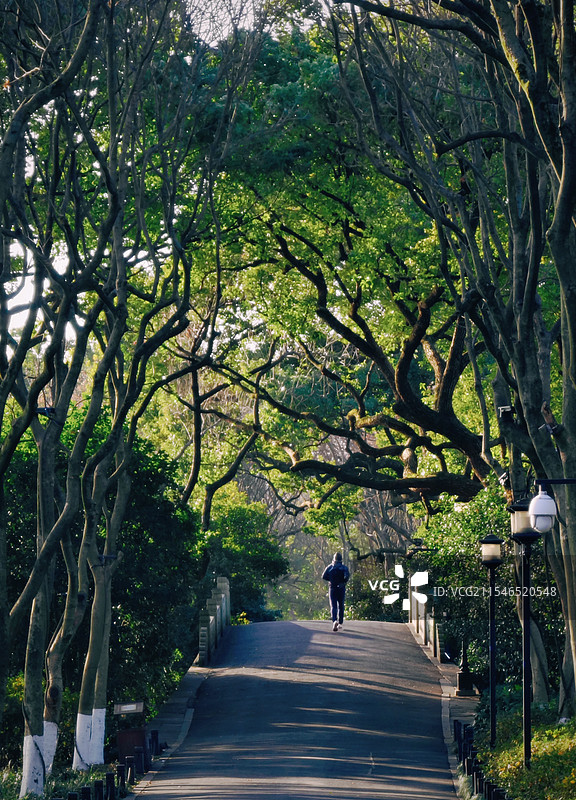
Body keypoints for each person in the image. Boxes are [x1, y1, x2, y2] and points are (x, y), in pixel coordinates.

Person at [322, 552, 350, 631]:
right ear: (341, 560)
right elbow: (347, 576)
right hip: (341, 588)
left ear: (334, 559)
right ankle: (340, 622)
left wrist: (331, 580)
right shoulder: (344, 568)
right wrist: (343, 582)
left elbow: (324, 576)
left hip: (332, 587)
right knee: (341, 605)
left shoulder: (330, 567)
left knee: (333, 605)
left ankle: (334, 620)